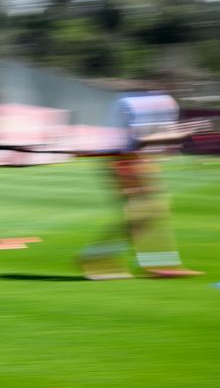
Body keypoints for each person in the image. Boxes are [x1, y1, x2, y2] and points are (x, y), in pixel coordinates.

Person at [78, 92, 207, 280]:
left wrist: (180, 134)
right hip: (124, 161)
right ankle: (96, 257)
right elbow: (139, 141)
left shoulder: (143, 111)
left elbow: (145, 139)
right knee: (143, 215)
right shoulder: (148, 113)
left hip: (129, 160)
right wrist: (182, 135)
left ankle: (156, 263)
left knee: (151, 213)